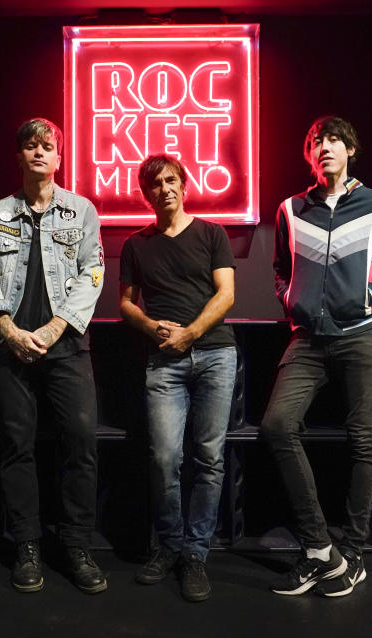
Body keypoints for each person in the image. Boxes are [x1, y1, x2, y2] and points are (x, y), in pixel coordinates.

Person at [261, 115, 372, 597]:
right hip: (307, 338)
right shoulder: (291, 209)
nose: (325, 147)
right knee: (277, 425)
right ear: (309, 155)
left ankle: (356, 552)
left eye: (335, 140)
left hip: (362, 333)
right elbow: (280, 270)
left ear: (350, 150)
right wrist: (288, 299)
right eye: (316, 142)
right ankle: (319, 549)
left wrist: (368, 295)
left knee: (362, 437)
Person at [0, 118, 107, 594]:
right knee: (16, 446)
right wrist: (8, 330)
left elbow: (93, 272)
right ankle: (27, 546)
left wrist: (51, 329)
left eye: (48, 146)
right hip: (9, 349)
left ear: (60, 156)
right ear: (20, 156)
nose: (39, 152)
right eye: (31, 146)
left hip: (66, 346)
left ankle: (77, 546)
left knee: (81, 444)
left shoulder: (82, 210)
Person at [119, 154, 237, 602]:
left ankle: (196, 553)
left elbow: (227, 294)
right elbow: (126, 303)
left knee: (209, 459)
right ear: (146, 193)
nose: (164, 188)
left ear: (184, 185)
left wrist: (190, 333)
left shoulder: (211, 233)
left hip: (215, 356)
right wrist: (152, 327)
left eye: (171, 180)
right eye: (155, 183)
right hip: (163, 362)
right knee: (165, 458)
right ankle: (168, 545)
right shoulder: (136, 245)